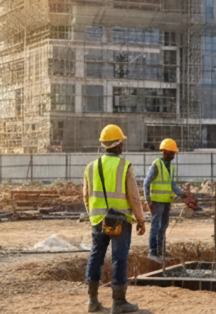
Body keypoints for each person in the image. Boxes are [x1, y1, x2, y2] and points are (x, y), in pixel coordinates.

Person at [83, 124, 146, 314]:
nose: (122, 146)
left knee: (96, 256)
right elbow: (134, 197)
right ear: (118, 144)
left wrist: (94, 217)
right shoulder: (124, 166)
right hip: (120, 221)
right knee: (119, 258)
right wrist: (140, 220)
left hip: (98, 221)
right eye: (122, 142)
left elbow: (86, 196)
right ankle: (119, 303)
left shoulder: (90, 167)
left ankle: (92, 302)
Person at [143, 137, 197, 261]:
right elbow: (146, 183)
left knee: (164, 225)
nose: (173, 156)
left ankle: (161, 250)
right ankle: (152, 252)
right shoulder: (157, 165)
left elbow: (171, 184)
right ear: (165, 152)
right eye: (172, 153)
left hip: (167, 201)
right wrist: (149, 202)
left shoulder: (170, 167)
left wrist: (181, 194)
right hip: (157, 202)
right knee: (155, 226)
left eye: (174, 153)